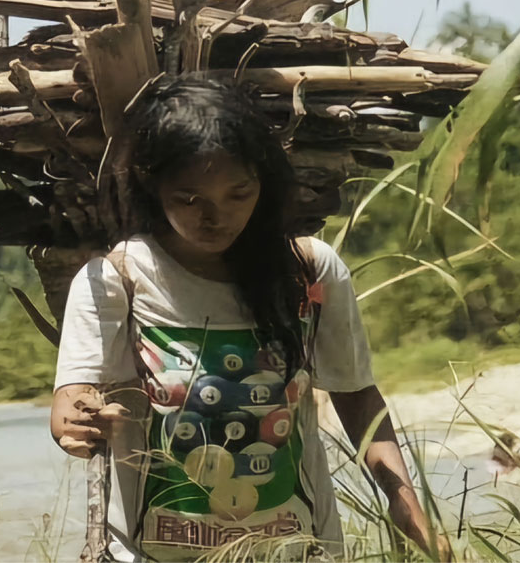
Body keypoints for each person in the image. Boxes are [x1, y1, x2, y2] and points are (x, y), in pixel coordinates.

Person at [50, 75, 451, 561]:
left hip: (299, 550)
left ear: (263, 182)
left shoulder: (308, 271)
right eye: (189, 199)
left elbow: (356, 394)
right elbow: (72, 401)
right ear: (152, 187)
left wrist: (404, 504)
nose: (215, 216)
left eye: (238, 193)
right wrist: (78, 424)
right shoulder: (116, 281)